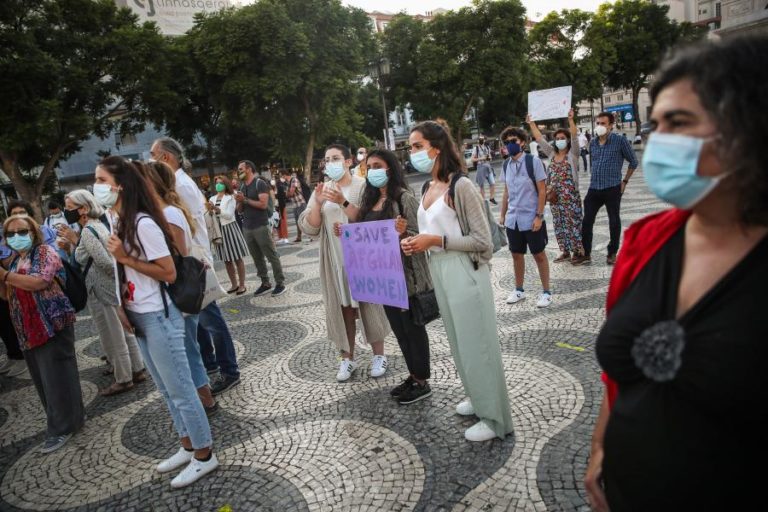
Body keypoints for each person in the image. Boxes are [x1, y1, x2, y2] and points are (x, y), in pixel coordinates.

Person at [584, 35, 768, 512]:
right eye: (655, 125)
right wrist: (601, 446)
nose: (657, 141)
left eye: (679, 123)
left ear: (747, 130)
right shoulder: (648, 239)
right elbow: (621, 373)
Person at [96, 156, 218, 488]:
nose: (97, 187)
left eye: (101, 180)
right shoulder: (118, 220)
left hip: (159, 315)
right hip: (138, 314)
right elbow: (127, 272)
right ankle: (187, 445)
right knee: (165, 389)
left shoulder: (143, 223)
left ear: (120, 184)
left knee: (181, 389)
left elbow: (168, 272)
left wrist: (124, 257)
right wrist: (123, 305)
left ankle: (205, 454)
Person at [401, 120, 513, 442]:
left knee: (478, 344)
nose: (413, 153)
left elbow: (483, 242)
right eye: (411, 147)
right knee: (459, 342)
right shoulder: (426, 187)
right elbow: (432, 233)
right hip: (440, 268)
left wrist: (436, 241)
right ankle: (479, 400)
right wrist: (411, 240)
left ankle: (495, 419)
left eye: (417, 146)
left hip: (464, 268)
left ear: (436, 148)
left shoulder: (460, 186)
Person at [338, 149, 433, 404]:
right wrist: (346, 234)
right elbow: (364, 232)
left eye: (378, 165)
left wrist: (404, 232)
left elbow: (419, 233)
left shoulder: (403, 199)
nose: (373, 171)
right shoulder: (370, 200)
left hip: (406, 279)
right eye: (369, 167)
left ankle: (423, 380)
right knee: (400, 331)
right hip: (385, 281)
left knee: (413, 329)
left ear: (390, 168)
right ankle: (413, 375)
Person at [150, 138, 241, 395]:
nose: (150, 160)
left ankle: (229, 370)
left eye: (152, 155)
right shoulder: (178, 183)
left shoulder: (180, 185)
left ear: (166, 158)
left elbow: (188, 228)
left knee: (211, 319)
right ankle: (211, 363)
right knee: (199, 318)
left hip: (194, 262)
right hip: (191, 261)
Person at [298, 144, 390, 382]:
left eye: (336, 158)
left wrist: (342, 203)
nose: (331, 163)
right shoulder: (323, 189)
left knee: (370, 304)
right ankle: (346, 358)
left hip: (362, 257)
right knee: (343, 309)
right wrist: (318, 203)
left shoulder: (363, 186)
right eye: (327, 159)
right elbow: (310, 227)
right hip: (335, 259)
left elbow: (371, 219)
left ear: (348, 161)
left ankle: (379, 355)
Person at [0, 214, 85, 453]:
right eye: (10, 233)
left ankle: (63, 427)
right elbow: (9, 295)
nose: (16, 237)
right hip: (29, 328)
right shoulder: (17, 260)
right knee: (43, 378)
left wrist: (5, 276)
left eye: (22, 231)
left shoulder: (45, 253)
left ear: (34, 232)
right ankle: (69, 420)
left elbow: (38, 282)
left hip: (52, 325)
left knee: (57, 375)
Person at [139, 161, 218, 415]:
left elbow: (180, 254)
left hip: (179, 290)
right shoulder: (164, 211)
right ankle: (204, 398)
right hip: (174, 290)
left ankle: (205, 401)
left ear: (153, 184)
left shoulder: (170, 213)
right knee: (188, 349)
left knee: (188, 351)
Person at [65, 189, 147, 396]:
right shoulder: (97, 226)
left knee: (114, 334)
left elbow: (104, 262)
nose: (67, 213)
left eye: (69, 208)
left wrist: (114, 281)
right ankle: (137, 368)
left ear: (83, 209)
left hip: (103, 290)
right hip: (107, 288)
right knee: (124, 332)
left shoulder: (88, 231)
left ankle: (124, 378)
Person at [499, 126, 552, 308]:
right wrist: (502, 214)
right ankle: (519, 290)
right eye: (506, 142)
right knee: (516, 255)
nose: (510, 145)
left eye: (513, 141)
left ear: (522, 142)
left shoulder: (533, 162)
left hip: (531, 218)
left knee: (539, 255)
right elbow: (506, 191)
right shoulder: (506, 165)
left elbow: (542, 190)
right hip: (513, 219)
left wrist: (539, 216)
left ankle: (546, 292)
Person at [580, 111, 638, 266]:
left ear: (611, 125)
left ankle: (612, 253)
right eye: (598, 123)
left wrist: (624, 181)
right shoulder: (592, 142)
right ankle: (585, 253)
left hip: (612, 187)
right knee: (587, 221)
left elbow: (633, 161)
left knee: (614, 220)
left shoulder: (620, 141)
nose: (599, 126)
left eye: (603, 123)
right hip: (594, 188)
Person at [528, 109, 586, 264]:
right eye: (557, 138)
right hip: (554, 198)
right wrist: (531, 123)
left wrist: (571, 120)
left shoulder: (573, 155)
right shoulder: (552, 155)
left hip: (571, 197)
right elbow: (540, 139)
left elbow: (574, 137)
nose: (559, 140)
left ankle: (578, 251)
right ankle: (565, 251)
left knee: (573, 223)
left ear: (567, 140)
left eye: (562, 138)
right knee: (559, 224)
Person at [235, 160, 286, 297]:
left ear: (249, 169)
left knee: (271, 255)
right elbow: (239, 210)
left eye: (241, 169)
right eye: (238, 169)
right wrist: (239, 201)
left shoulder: (259, 183)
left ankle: (280, 283)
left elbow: (263, 205)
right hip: (247, 227)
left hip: (261, 226)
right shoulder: (241, 187)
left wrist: (244, 200)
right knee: (257, 258)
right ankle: (265, 283)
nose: (239, 171)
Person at [207, 175, 248, 294]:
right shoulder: (212, 198)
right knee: (226, 259)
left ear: (226, 184)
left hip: (230, 228)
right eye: (216, 183)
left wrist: (217, 210)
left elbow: (230, 215)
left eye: (221, 183)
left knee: (237, 257)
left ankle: (242, 284)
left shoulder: (231, 197)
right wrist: (210, 211)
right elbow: (211, 215)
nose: (218, 185)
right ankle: (234, 284)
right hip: (218, 230)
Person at [283, 168, 307, 243]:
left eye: (282, 176)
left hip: (300, 203)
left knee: (304, 220)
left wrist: (288, 193)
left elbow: (290, 193)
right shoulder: (287, 183)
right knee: (297, 221)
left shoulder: (294, 180)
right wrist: (288, 193)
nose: (282, 178)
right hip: (295, 204)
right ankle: (299, 237)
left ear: (284, 175)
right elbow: (287, 194)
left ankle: (312, 234)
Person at [472, 136, 497, 204]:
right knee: (481, 185)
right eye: (480, 139)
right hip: (480, 167)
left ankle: (492, 198)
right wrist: (481, 158)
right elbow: (472, 159)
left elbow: (490, 157)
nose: (482, 140)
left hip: (488, 167)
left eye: (483, 139)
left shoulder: (487, 147)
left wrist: (489, 157)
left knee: (493, 183)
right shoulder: (476, 148)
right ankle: (483, 200)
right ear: (478, 141)